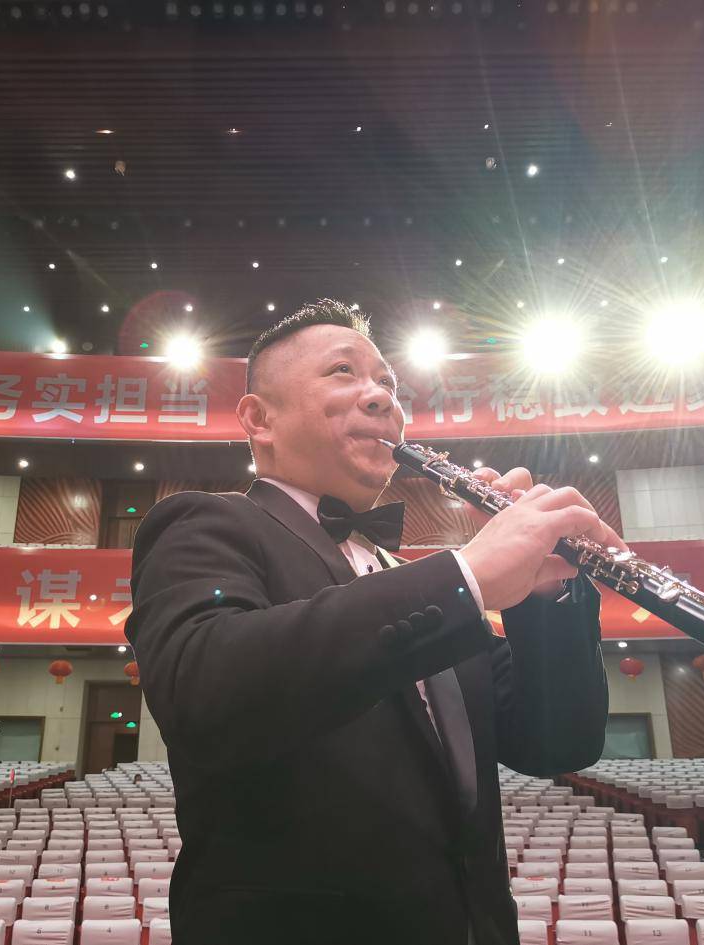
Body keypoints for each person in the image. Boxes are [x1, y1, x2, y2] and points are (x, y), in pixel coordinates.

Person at [127, 299, 623, 945]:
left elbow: (556, 744)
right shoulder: (204, 523)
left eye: (388, 383)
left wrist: (544, 596)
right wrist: (466, 574)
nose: (382, 397)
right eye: (343, 372)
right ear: (259, 417)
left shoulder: (407, 577)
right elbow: (203, 690)